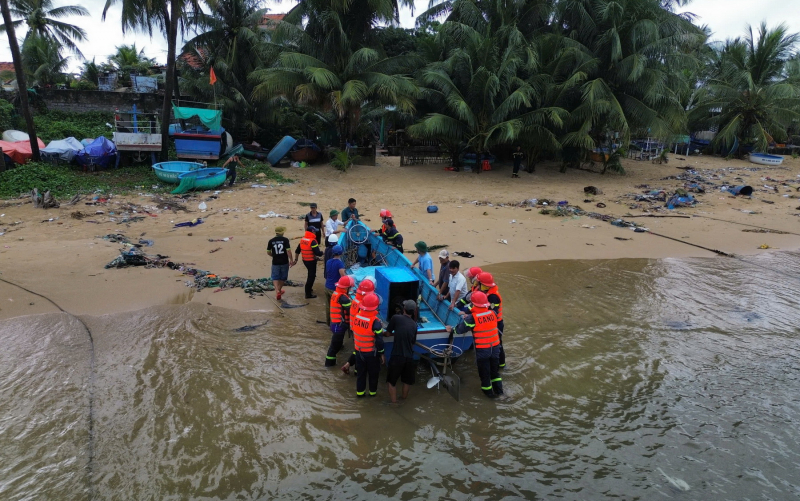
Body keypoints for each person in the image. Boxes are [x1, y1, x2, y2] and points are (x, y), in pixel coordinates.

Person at [446, 291, 502, 398]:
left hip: (483, 350)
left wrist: (451, 329)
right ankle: (500, 393)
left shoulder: (472, 318)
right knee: (495, 373)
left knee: (484, 374)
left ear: (473, 304)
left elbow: (461, 329)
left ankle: (489, 396)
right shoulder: (493, 314)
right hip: (495, 348)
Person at [352, 292, 385, 397]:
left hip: (358, 352)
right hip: (371, 354)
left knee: (361, 376)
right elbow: (379, 341)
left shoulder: (357, 316)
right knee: (373, 375)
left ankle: (360, 395)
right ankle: (372, 395)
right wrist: (382, 354)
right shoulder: (375, 322)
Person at [385, 299, 418, 403]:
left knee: (391, 382)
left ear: (404, 309)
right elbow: (413, 342)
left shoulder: (396, 318)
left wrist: (380, 333)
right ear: (414, 311)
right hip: (409, 357)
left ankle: (394, 404)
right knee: (406, 382)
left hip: (397, 356)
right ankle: (403, 400)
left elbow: (388, 333)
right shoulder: (414, 325)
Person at [341, 278, 376, 375]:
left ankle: (349, 365)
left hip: (354, 328)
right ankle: (357, 371)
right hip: (359, 329)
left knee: (357, 349)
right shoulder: (362, 303)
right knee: (360, 351)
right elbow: (364, 317)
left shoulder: (356, 299)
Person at [476, 272, 506, 369]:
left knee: (498, 345)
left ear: (484, 285)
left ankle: (501, 364)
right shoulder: (488, 293)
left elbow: (493, 313)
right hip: (493, 323)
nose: (478, 285)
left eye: (479, 283)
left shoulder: (493, 297)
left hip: (496, 324)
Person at [325, 276, 355, 366]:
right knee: (334, 347)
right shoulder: (343, 298)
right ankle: (329, 365)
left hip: (335, 323)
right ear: (346, 287)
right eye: (350, 287)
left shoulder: (336, 293)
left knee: (337, 343)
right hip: (339, 325)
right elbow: (351, 311)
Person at [294, 228, 323, 298]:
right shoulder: (312, 241)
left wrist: (296, 260)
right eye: (315, 231)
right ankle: (308, 293)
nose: (315, 233)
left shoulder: (303, 239)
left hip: (305, 260)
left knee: (310, 274)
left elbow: (297, 251)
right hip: (311, 261)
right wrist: (323, 252)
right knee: (311, 276)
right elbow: (318, 253)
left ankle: (309, 289)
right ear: (312, 232)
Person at [267, 226, 293, 300]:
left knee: (275, 277)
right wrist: (291, 259)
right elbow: (288, 251)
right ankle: (279, 290)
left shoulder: (271, 241)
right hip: (284, 261)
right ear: (282, 232)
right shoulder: (285, 240)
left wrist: (273, 256)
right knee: (283, 277)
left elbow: (268, 252)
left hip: (275, 261)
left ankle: (277, 291)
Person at [324, 245, 347, 324]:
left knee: (328, 306)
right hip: (334, 289)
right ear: (341, 253)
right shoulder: (340, 264)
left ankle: (328, 322)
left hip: (327, 286)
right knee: (336, 308)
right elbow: (343, 277)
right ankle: (335, 324)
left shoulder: (328, 261)